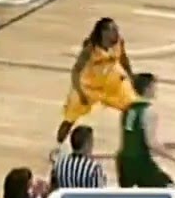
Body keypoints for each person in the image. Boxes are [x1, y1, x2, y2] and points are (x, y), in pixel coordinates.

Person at [55, 18, 137, 148]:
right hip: (88, 87)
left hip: (111, 83)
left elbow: (124, 60)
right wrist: (80, 93)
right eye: (113, 29)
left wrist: (132, 77)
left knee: (133, 107)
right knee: (69, 119)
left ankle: (133, 141)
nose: (117, 31)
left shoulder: (119, 42)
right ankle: (58, 147)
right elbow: (75, 71)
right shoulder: (90, 48)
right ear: (103, 32)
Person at [117, 73, 175, 187]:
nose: (156, 89)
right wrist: (174, 159)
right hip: (140, 161)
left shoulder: (127, 109)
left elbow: (134, 137)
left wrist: (163, 145)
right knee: (170, 188)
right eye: (154, 86)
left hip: (123, 162)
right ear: (147, 89)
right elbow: (151, 143)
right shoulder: (149, 111)